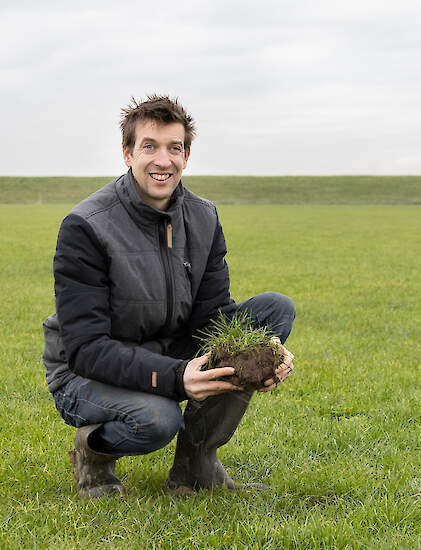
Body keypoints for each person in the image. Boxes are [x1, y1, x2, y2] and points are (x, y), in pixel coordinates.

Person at [41, 94, 295, 498]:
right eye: (149, 146)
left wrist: (265, 353)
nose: (163, 160)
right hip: (85, 373)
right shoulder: (85, 227)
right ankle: (93, 454)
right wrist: (176, 378)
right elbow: (86, 349)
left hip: (169, 345)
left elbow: (213, 319)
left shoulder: (203, 216)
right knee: (157, 419)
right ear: (127, 153)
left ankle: (196, 466)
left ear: (187, 155)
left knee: (273, 310)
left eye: (174, 148)